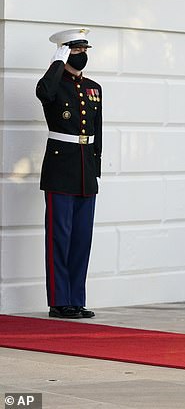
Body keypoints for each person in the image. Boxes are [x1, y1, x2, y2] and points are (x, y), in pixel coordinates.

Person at [36, 28, 102, 319]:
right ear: (64, 52)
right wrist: (56, 63)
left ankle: (76, 298)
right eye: (75, 50)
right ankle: (59, 302)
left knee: (81, 240)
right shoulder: (54, 85)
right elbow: (43, 93)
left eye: (84, 50)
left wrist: (95, 169)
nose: (82, 55)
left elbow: (97, 132)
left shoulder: (93, 87)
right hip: (60, 170)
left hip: (85, 172)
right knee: (59, 238)